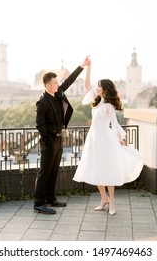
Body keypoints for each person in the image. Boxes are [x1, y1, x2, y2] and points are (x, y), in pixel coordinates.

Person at [73, 58, 143, 215]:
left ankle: (112, 201)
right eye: (97, 86)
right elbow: (86, 86)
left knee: (108, 169)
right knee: (97, 169)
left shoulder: (109, 105)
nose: (96, 88)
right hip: (93, 139)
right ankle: (103, 198)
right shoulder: (96, 101)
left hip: (105, 138)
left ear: (105, 89)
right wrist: (89, 67)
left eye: (99, 86)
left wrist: (119, 137)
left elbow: (115, 122)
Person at [34, 56, 90, 214]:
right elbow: (40, 125)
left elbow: (69, 80)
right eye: (55, 83)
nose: (58, 84)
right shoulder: (42, 102)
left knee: (53, 171)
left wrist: (81, 66)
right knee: (44, 172)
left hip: (59, 138)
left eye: (58, 82)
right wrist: (48, 141)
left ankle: (50, 198)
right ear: (47, 85)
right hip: (49, 142)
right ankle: (39, 203)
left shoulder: (58, 93)